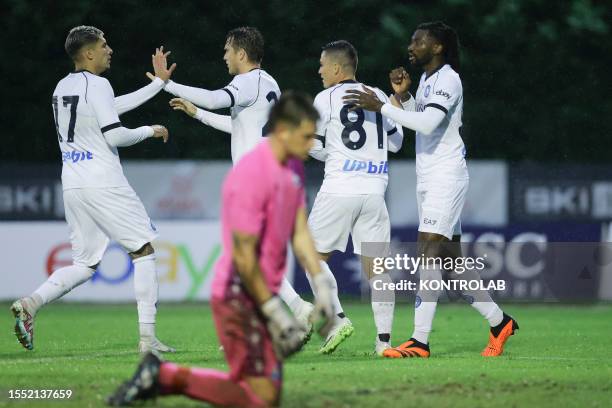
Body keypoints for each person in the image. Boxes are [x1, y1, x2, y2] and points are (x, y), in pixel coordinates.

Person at [107, 92, 335, 407]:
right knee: (260, 398)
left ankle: (159, 376)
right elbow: (243, 255)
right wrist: (276, 315)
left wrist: (322, 285)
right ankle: (161, 376)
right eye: (308, 136)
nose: (313, 144)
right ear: (284, 131)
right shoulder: (250, 175)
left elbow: (298, 230)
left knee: (263, 395)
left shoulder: (292, 168)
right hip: (237, 298)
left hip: (258, 295)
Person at [343, 21, 518, 358]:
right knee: (451, 264)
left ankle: (419, 340)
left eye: (418, 41)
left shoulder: (449, 78)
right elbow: (421, 123)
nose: (411, 46)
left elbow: (428, 123)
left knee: (427, 248)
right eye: (412, 40)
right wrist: (405, 98)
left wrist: (382, 106)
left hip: (446, 175)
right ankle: (500, 323)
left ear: (437, 47)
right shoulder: (426, 80)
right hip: (429, 177)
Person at [10, 25, 176, 354]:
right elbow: (115, 134)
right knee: (143, 251)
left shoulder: (62, 87)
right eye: (103, 45)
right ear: (88, 53)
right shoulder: (97, 84)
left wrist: (158, 85)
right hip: (104, 181)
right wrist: (150, 130)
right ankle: (148, 340)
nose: (109, 49)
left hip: (72, 182)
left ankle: (31, 303)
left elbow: (111, 106)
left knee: (86, 264)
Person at [166, 27, 315, 336]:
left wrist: (167, 84)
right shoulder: (268, 82)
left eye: (227, 50)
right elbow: (240, 126)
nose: (224, 56)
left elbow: (213, 98)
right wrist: (198, 115)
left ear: (241, 54)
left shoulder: (246, 82)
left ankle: (262, 325)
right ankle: (297, 309)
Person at [307, 40, 404, 355]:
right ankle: (384, 343)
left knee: (311, 256)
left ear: (336, 68)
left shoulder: (326, 98)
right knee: (377, 268)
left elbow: (313, 145)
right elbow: (397, 143)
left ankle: (337, 321)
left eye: (322, 65)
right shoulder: (376, 95)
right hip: (375, 191)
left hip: (339, 188)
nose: (319, 70)